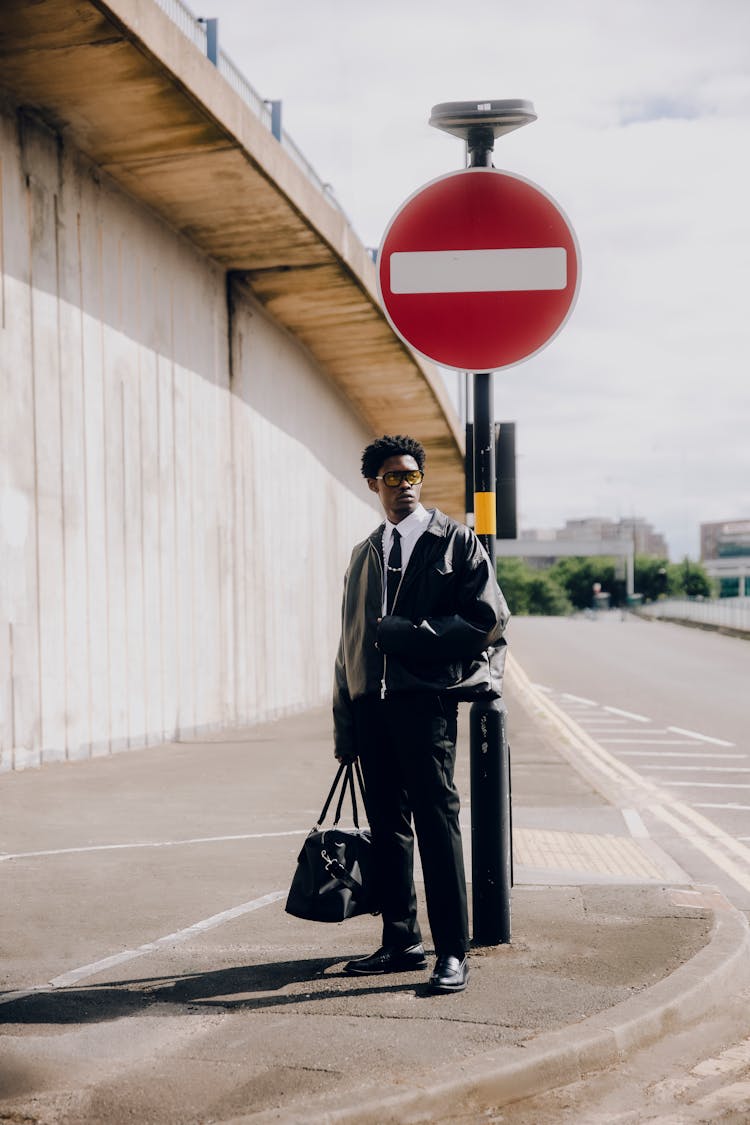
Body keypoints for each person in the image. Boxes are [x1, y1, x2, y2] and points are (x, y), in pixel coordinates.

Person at [332, 434, 510, 994]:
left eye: (412, 476)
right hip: (371, 710)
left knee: (437, 826)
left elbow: (488, 618)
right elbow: (348, 646)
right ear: (373, 485)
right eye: (392, 477)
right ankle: (401, 940)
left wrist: (413, 636)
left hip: (424, 705)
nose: (404, 486)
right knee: (388, 831)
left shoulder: (454, 541)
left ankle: (452, 952)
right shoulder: (365, 554)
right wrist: (345, 724)